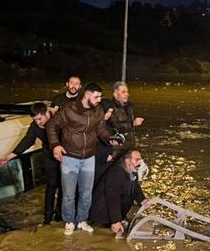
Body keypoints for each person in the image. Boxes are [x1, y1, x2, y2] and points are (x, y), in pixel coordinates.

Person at [47, 83, 117, 235]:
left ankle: (82, 220)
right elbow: (51, 125)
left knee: (86, 193)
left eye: (100, 97)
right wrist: (55, 145)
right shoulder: (69, 109)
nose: (99, 100)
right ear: (86, 95)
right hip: (69, 157)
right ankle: (69, 221)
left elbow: (101, 129)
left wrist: (109, 139)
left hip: (89, 157)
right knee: (68, 194)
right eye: (96, 96)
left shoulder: (98, 110)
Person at [0, 103, 62, 224]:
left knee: (64, 185)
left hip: (65, 154)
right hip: (49, 155)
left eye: (39, 119)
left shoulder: (60, 119)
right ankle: (47, 218)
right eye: (35, 120)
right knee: (51, 185)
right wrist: (8, 157)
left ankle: (60, 215)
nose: (38, 122)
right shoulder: (35, 127)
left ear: (47, 113)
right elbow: (26, 142)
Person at [89, 150, 148, 238]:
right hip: (102, 213)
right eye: (137, 160)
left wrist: (142, 200)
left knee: (129, 194)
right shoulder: (116, 173)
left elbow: (135, 187)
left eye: (140, 160)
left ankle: (118, 219)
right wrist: (115, 221)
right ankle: (111, 223)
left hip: (115, 210)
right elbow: (112, 197)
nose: (140, 162)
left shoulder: (132, 169)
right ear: (127, 161)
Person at [95, 81, 144, 183]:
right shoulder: (109, 107)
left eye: (127, 91)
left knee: (128, 177)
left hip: (128, 147)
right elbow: (112, 126)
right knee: (114, 177)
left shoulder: (129, 106)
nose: (127, 94)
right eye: (123, 92)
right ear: (115, 93)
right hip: (116, 150)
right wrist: (133, 123)